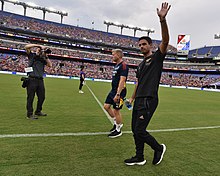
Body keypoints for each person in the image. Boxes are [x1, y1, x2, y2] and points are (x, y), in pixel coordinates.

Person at [124, 2, 171, 166]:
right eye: (139, 45)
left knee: (140, 130)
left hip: (149, 99)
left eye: (144, 44)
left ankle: (158, 148)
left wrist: (162, 20)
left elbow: (165, 40)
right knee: (134, 130)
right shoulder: (140, 64)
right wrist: (131, 98)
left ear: (150, 45)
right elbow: (138, 82)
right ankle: (139, 156)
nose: (141, 46)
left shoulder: (157, 58)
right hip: (138, 100)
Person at [104, 49, 129, 138]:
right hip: (113, 90)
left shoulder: (123, 66)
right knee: (106, 106)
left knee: (116, 110)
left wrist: (118, 94)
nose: (112, 56)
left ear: (118, 55)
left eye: (113, 54)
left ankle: (118, 130)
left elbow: (122, 80)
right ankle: (116, 123)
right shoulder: (117, 65)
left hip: (120, 92)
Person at [24, 44, 52, 120]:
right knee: (31, 98)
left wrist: (45, 55)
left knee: (42, 97)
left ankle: (38, 111)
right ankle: (29, 114)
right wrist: (39, 46)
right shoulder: (32, 56)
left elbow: (50, 65)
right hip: (32, 79)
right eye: (39, 50)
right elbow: (26, 47)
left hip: (40, 80)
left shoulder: (43, 59)